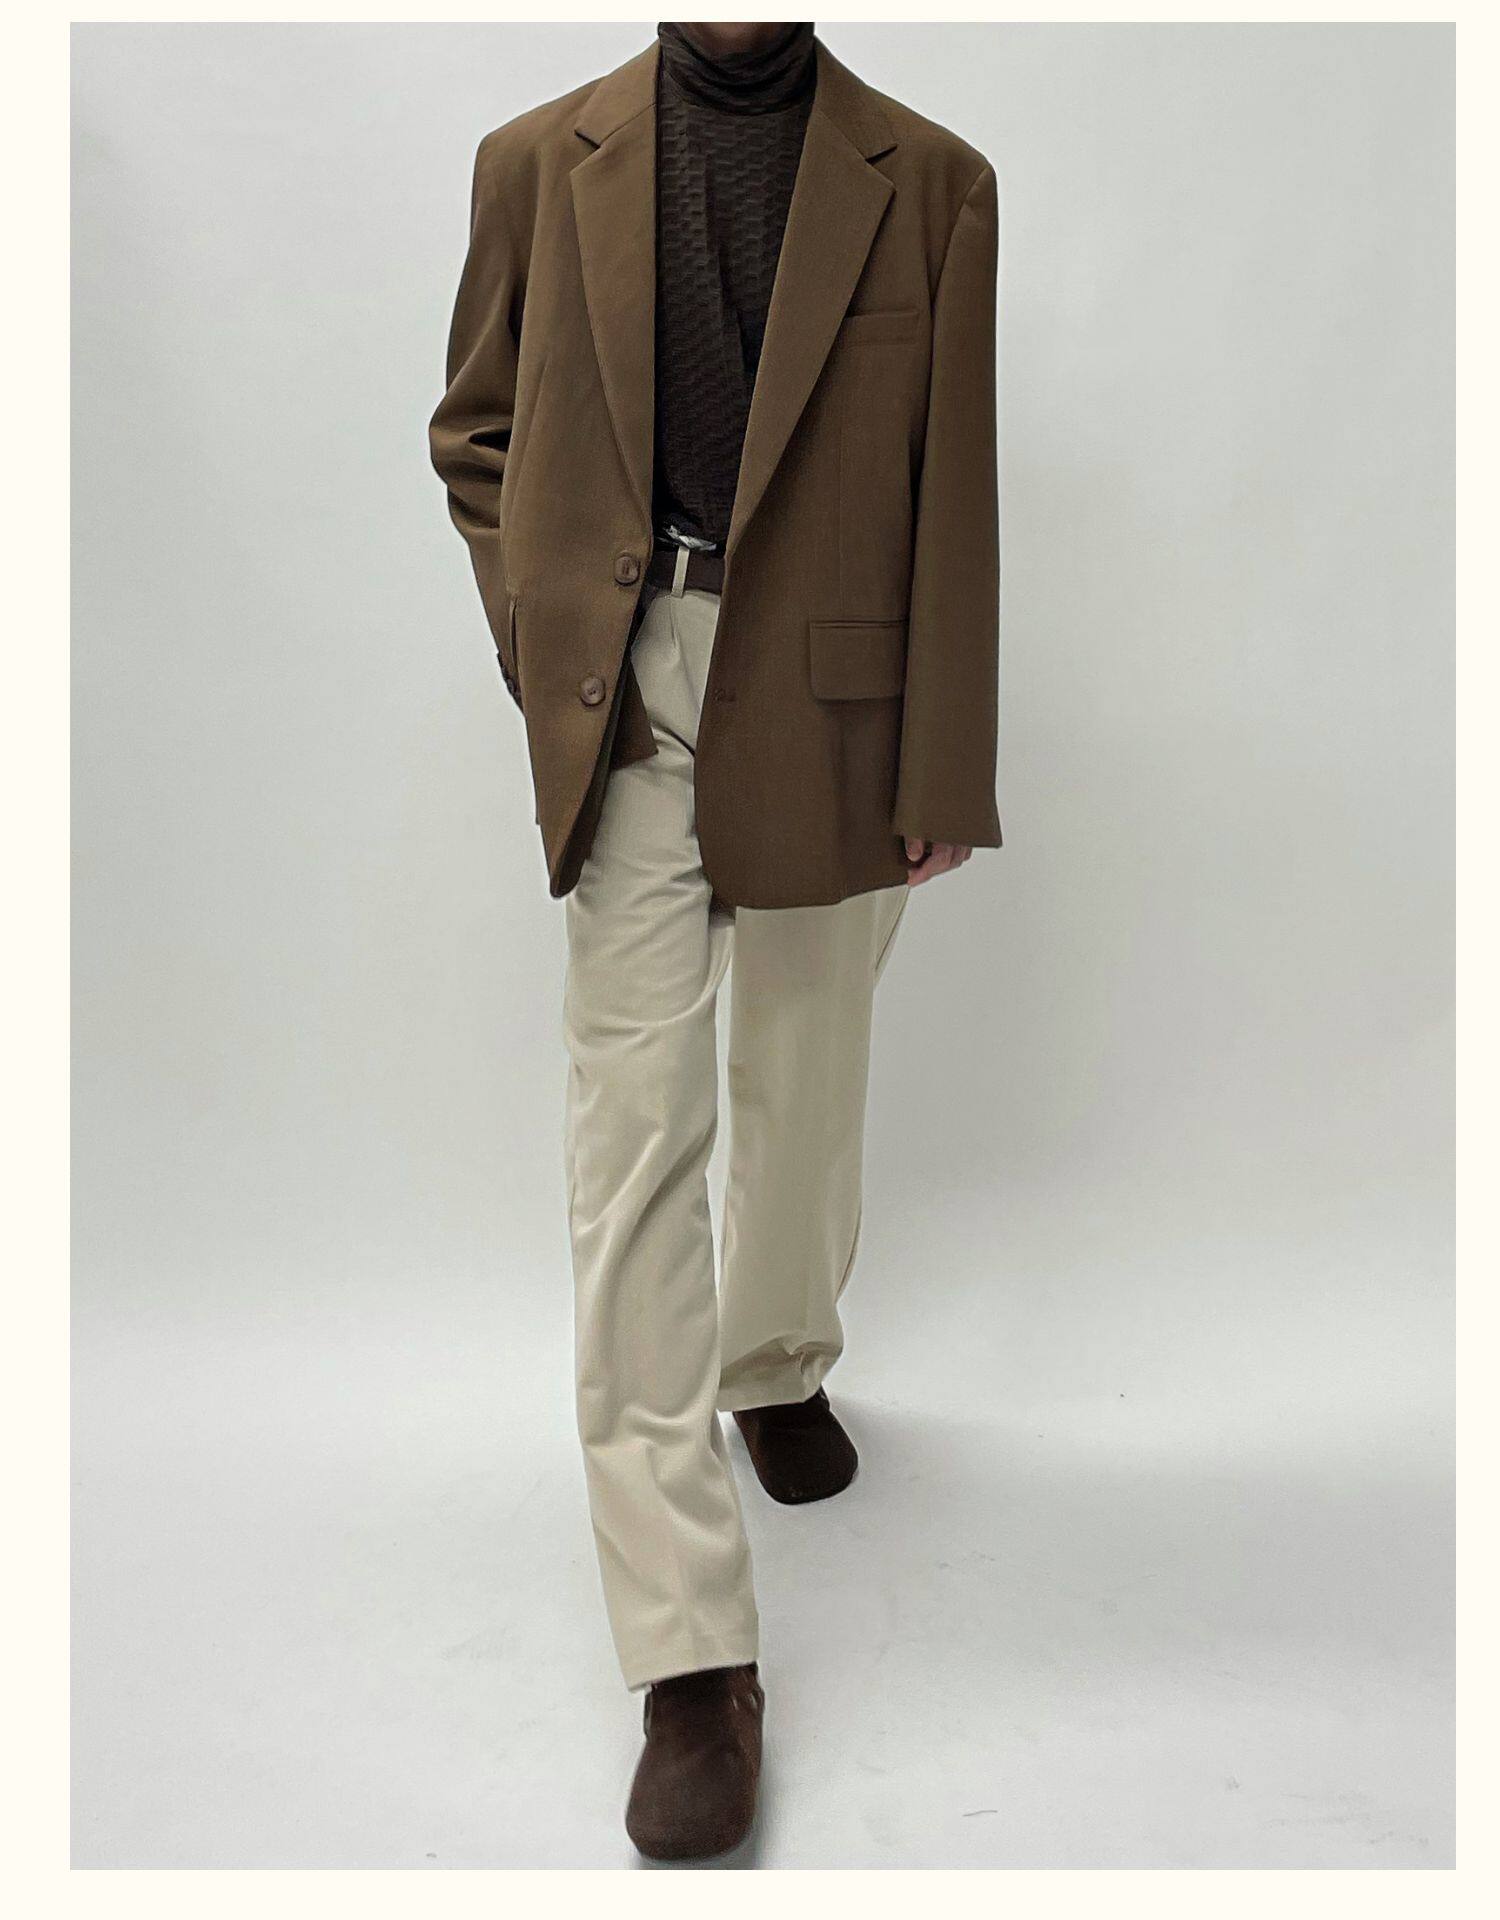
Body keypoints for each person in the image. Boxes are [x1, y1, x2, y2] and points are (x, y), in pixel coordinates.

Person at [430, 20, 1000, 1860]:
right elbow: (475, 435)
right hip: (630, 689)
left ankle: (778, 1357)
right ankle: (689, 1653)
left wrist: (942, 760)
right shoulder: (537, 159)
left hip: (833, 697)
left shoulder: (933, 179)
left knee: (806, 1082)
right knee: (632, 1139)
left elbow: (952, 494)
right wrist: (547, 643)